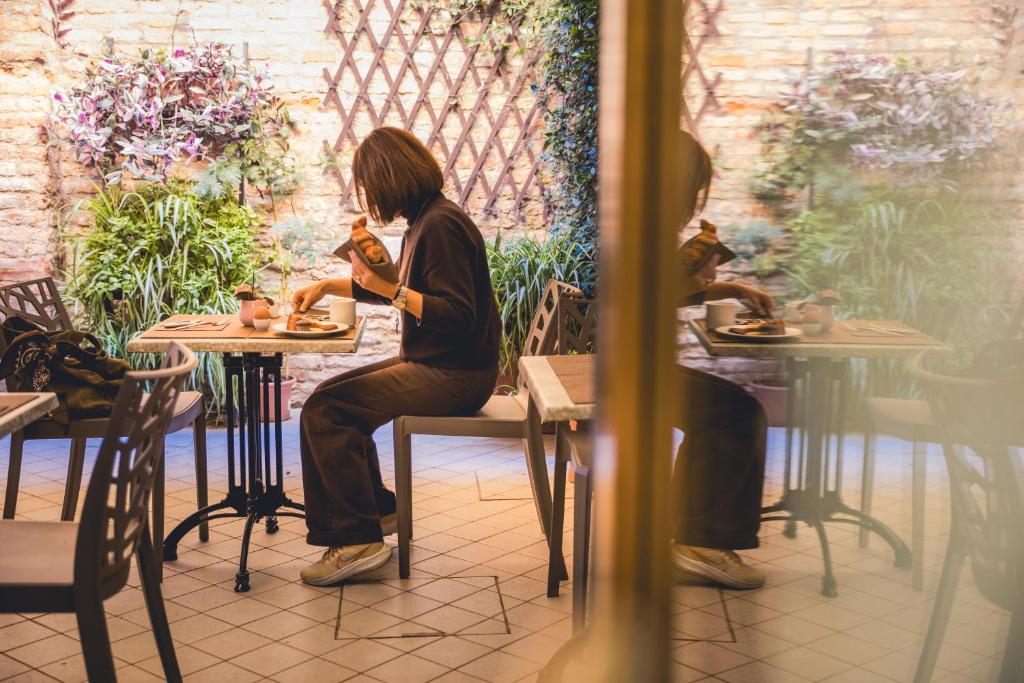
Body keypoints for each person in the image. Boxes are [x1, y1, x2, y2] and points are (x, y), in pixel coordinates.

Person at [290, 127, 500, 586]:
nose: (368, 196)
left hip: (455, 374)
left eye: (368, 184)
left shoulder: (441, 226)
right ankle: (377, 512)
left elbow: (457, 315)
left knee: (328, 411)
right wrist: (327, 286)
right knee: (330, 398)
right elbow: (400, 294)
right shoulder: (425, 221)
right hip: (442, 365)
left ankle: (357, 541)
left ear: (391, 178)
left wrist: (390, 288)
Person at [671, 130, 773, 589]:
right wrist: (695, 269)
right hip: (624, 371)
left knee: (732, 409)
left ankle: (699, 539)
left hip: (627, 363)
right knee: (734, 412)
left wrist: (732, 287)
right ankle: (701, 544)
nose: (695, 198)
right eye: (693, 187)